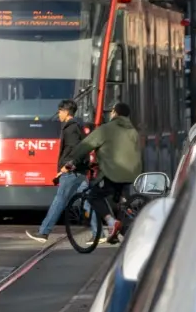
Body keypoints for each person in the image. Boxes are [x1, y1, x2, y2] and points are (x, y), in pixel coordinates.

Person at [61, 101, 143, 242]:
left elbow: (85, 146)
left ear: (115, 113)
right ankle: (119, 230)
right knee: (115, 197)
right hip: (133, 173)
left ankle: (112, 223)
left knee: (94, 196)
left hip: (113, 172)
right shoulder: (133, 131)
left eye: (112, 111)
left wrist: (72, 160)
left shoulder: (106, 129)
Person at [28, 100, 88, 243]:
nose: (58, 114)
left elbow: (75, 150)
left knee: (59, 200)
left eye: (60, 111)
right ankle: (101, 233)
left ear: (67, 112)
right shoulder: (75, 126)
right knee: (88, 201)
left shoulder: (71, 128)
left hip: (71, 172)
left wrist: (66, 167)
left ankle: (43, 232)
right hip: (78, 171)